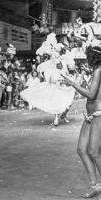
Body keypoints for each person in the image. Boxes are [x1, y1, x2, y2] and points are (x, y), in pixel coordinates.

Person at [62, 43, 101, 198]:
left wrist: (73, 84)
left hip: (99, 114)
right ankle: (95, 185)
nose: (87, 59)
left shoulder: (99, 70)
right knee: (81, 149)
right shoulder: (95, 70)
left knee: (93, 151)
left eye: (88, 56)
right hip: (91, 115)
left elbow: (91, 95)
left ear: (94, 57)